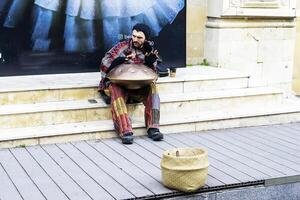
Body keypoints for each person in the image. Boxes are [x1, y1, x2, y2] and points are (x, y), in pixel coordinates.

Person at [99, 23, 163, 144]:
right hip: (121, 85)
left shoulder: (149, 50)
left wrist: (150, 63)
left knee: (153, 88)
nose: (135, 39)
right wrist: (119, 61)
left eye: (139, 37)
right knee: (114, 88)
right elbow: (104, 63)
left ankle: (153, 127)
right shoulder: (122, 47)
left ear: (146, 39)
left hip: (139, 87)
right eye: (133, 36)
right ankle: (125, 131)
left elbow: (153, 75)